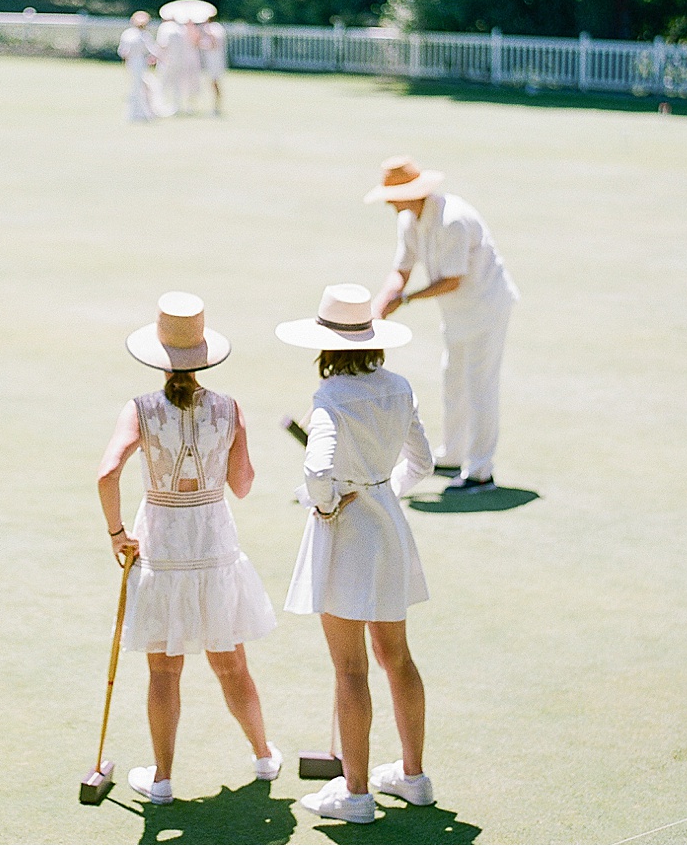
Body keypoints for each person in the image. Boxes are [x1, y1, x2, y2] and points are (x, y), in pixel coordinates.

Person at [97, 292, 280, 805]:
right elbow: (242, 486)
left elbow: (107, 472)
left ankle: (161, 780)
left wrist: (116, 533)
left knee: (163, 670)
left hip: (161, 546)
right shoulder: (228, 408)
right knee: (231, 664)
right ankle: (264, 757)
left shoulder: (140, 409)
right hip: (214, 544)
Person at [275, 283, 436, 824]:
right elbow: (423, 463)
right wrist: (383, 492)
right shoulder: (399, 387)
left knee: (350, 670)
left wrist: (327, 506)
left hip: (346, 536)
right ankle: (413, 778)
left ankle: (358, 794)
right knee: (398, 657)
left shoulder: (330, 399)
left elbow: (318, 471)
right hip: (388, 530)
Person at [366, 157, 518, 491]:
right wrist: (378, 307)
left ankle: (481, 470)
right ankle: (451, 456)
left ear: (412, 192)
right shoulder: (408, 220)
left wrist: (403, 300)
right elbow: (401, 270)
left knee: (480, 386)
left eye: (394, 195)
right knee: (453, 379)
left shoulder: (453, 220)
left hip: (486, 308)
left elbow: (452, 280)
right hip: (457, 313)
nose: (389, 202)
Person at [117, 11, 159, 122]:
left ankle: (140, 113)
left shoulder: (132, 34)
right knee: (137, 88)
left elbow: (123, 52)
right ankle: (137, 114)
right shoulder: (140, 35)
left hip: (136, 62)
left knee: (138, 87)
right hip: (137, 62)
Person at [155, 15, 200, 117]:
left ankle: (158, 106)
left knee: (162, 84)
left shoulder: (165, 28)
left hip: (166, 61)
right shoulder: (180, 29)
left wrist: (157, 56)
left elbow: (163, 44)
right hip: (179, 61)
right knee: (176, 85)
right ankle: (176, 107)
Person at [197, 17, 227, 117]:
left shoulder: (215, 28)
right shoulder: (210, 28)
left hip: (216, 62)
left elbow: (215, 44)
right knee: (212, 84)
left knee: (215, 84)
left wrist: (208, 31)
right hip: (211, 62)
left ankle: (216, 108)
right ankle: (215, 107)